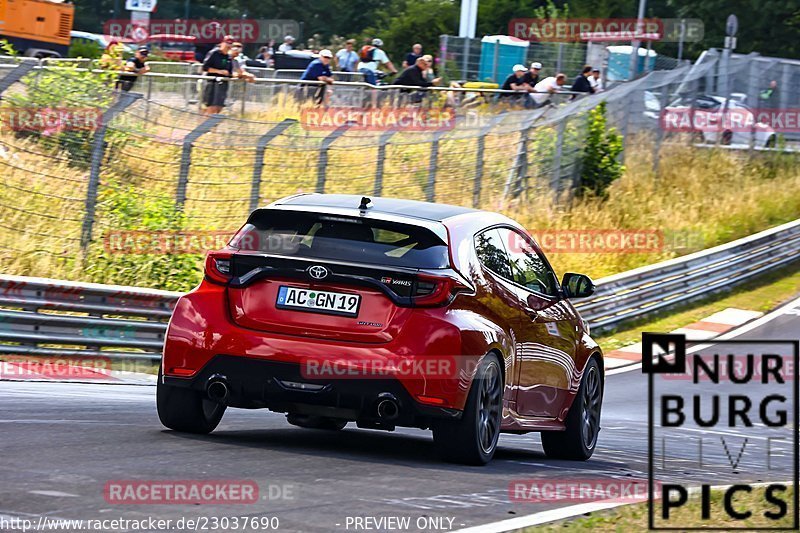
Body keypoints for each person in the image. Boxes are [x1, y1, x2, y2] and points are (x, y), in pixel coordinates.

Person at [201, 36, 234, 115]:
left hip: (223, 85)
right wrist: (219, 71)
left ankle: (213, 127)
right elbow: (205, 67)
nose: (228, 46)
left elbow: (230, 72)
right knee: (211, 108)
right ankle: (204, 126)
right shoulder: (214, 53)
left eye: (230, 44)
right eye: (227, 43)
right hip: (212, 83)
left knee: (219, 108)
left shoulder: (229, 57)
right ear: (222, 43)